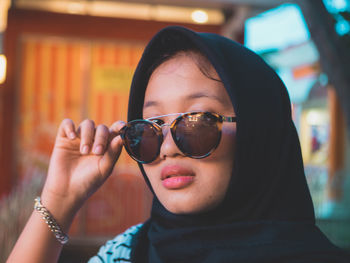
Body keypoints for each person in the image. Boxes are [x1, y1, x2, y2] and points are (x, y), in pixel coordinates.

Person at [7, 26, 349, 263]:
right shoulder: (128, 253)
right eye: (150, 128)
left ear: (259, 133)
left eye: (196, 122)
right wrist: (60, 199)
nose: (167, 147)